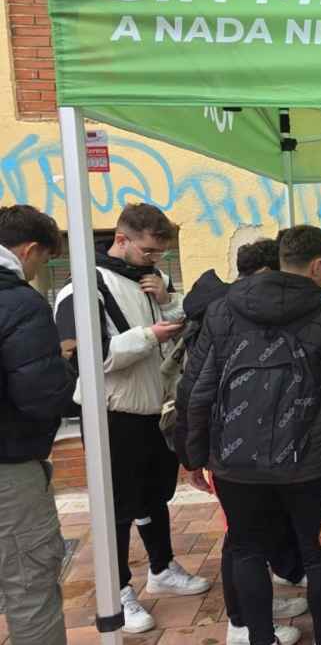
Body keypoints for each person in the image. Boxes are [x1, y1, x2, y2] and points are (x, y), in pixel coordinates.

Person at [180, 225, 321, 645]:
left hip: (234, 461)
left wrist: (193, 455)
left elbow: (196, 389)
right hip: (308, 460)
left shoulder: (222, 311)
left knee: (246, 550)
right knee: (319, 553)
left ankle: (261, 639)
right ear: (318, 265)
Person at [55, 203, 210, 634]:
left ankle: (161, 568)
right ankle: (118, 590)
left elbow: (178, 324)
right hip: (111, 414)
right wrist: (148, 336)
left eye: (161, 253)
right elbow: (87, 357)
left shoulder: (153, 279)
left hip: (152, 409)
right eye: (148, 252)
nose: (155, 260)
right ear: (121, 239)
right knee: (116, 506)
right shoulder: (84, 286)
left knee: (155, 494)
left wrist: (169, 301)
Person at [171, 239, 306, 645]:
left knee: (250, 532)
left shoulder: (231, 308)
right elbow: (192, 391)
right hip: (228, 447)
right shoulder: (226, 313)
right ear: (267, 272)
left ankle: (256, 605)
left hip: (235, 445)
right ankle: (241, 622)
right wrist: (192, 456)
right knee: (240, 538)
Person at [0, 205, 75, 645]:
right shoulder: (19, 302)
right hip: (9, 467)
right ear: (29, 250)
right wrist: (62, 363)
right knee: (29, 585)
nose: (41, 272)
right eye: (44, 262)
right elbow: (42, 396)